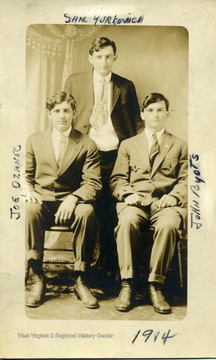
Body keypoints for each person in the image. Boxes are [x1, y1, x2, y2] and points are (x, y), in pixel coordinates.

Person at [64, 36, 144, 277]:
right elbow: (67, 115)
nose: (104, 62)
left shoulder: (125, 85)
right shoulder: (74, 81)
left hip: (113, 154)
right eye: (98, 57)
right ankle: (85, 269)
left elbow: (135, 123)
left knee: (109, 210)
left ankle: (109, 269)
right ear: (91, 58)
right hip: (84, 154)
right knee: (88, 208)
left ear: (115, 58)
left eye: (109, 56)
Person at [110, 93, 188, 314]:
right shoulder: (128, 145)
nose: (155, 114)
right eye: (151, 110)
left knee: (169, 225)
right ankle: (128, 283)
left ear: (168, 113)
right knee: (126, 222)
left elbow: (187, 179)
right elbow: (117, 179)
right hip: (135, 203)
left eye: (160, 110)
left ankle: (156, 285)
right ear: (143, 114)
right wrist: (126, 195)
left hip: (166, 204)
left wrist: (174, 196)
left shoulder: (180, 145)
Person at [25, 91, 102, 309]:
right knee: (29, 210)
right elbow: (23, 175)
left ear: (74, 113)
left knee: (87, 212)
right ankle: (38, 277)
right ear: (49, 114)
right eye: (57, 111)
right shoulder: (34, 140)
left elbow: (93, 182)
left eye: (66, 110)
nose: (62, 116)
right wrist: (28, 188)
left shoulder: (87, 143)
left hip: (73, 204)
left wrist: (74, 198)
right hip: (44, 202)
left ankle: (81, 279)